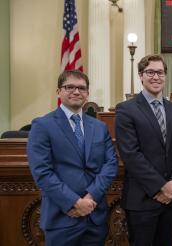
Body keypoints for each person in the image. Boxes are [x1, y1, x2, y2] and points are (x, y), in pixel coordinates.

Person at [27, 70, 118, 246]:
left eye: (81, 88)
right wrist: (75, 202)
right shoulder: (43, 125)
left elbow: (111, 164)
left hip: (95, 217)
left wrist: (90, 197)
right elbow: (42, 172)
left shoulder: (99, 127)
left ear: (87, 93)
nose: (76, 92)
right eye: (70, 87)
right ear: (58, 92)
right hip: (62, 217)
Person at [115, 54, 172, 246]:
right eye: (150, 72)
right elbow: (131, 155)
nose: (156, 77)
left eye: (160, 72)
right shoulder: (126, 109)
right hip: (142, 199)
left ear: (165, 76)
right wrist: (160, 186)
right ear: (140, 75)